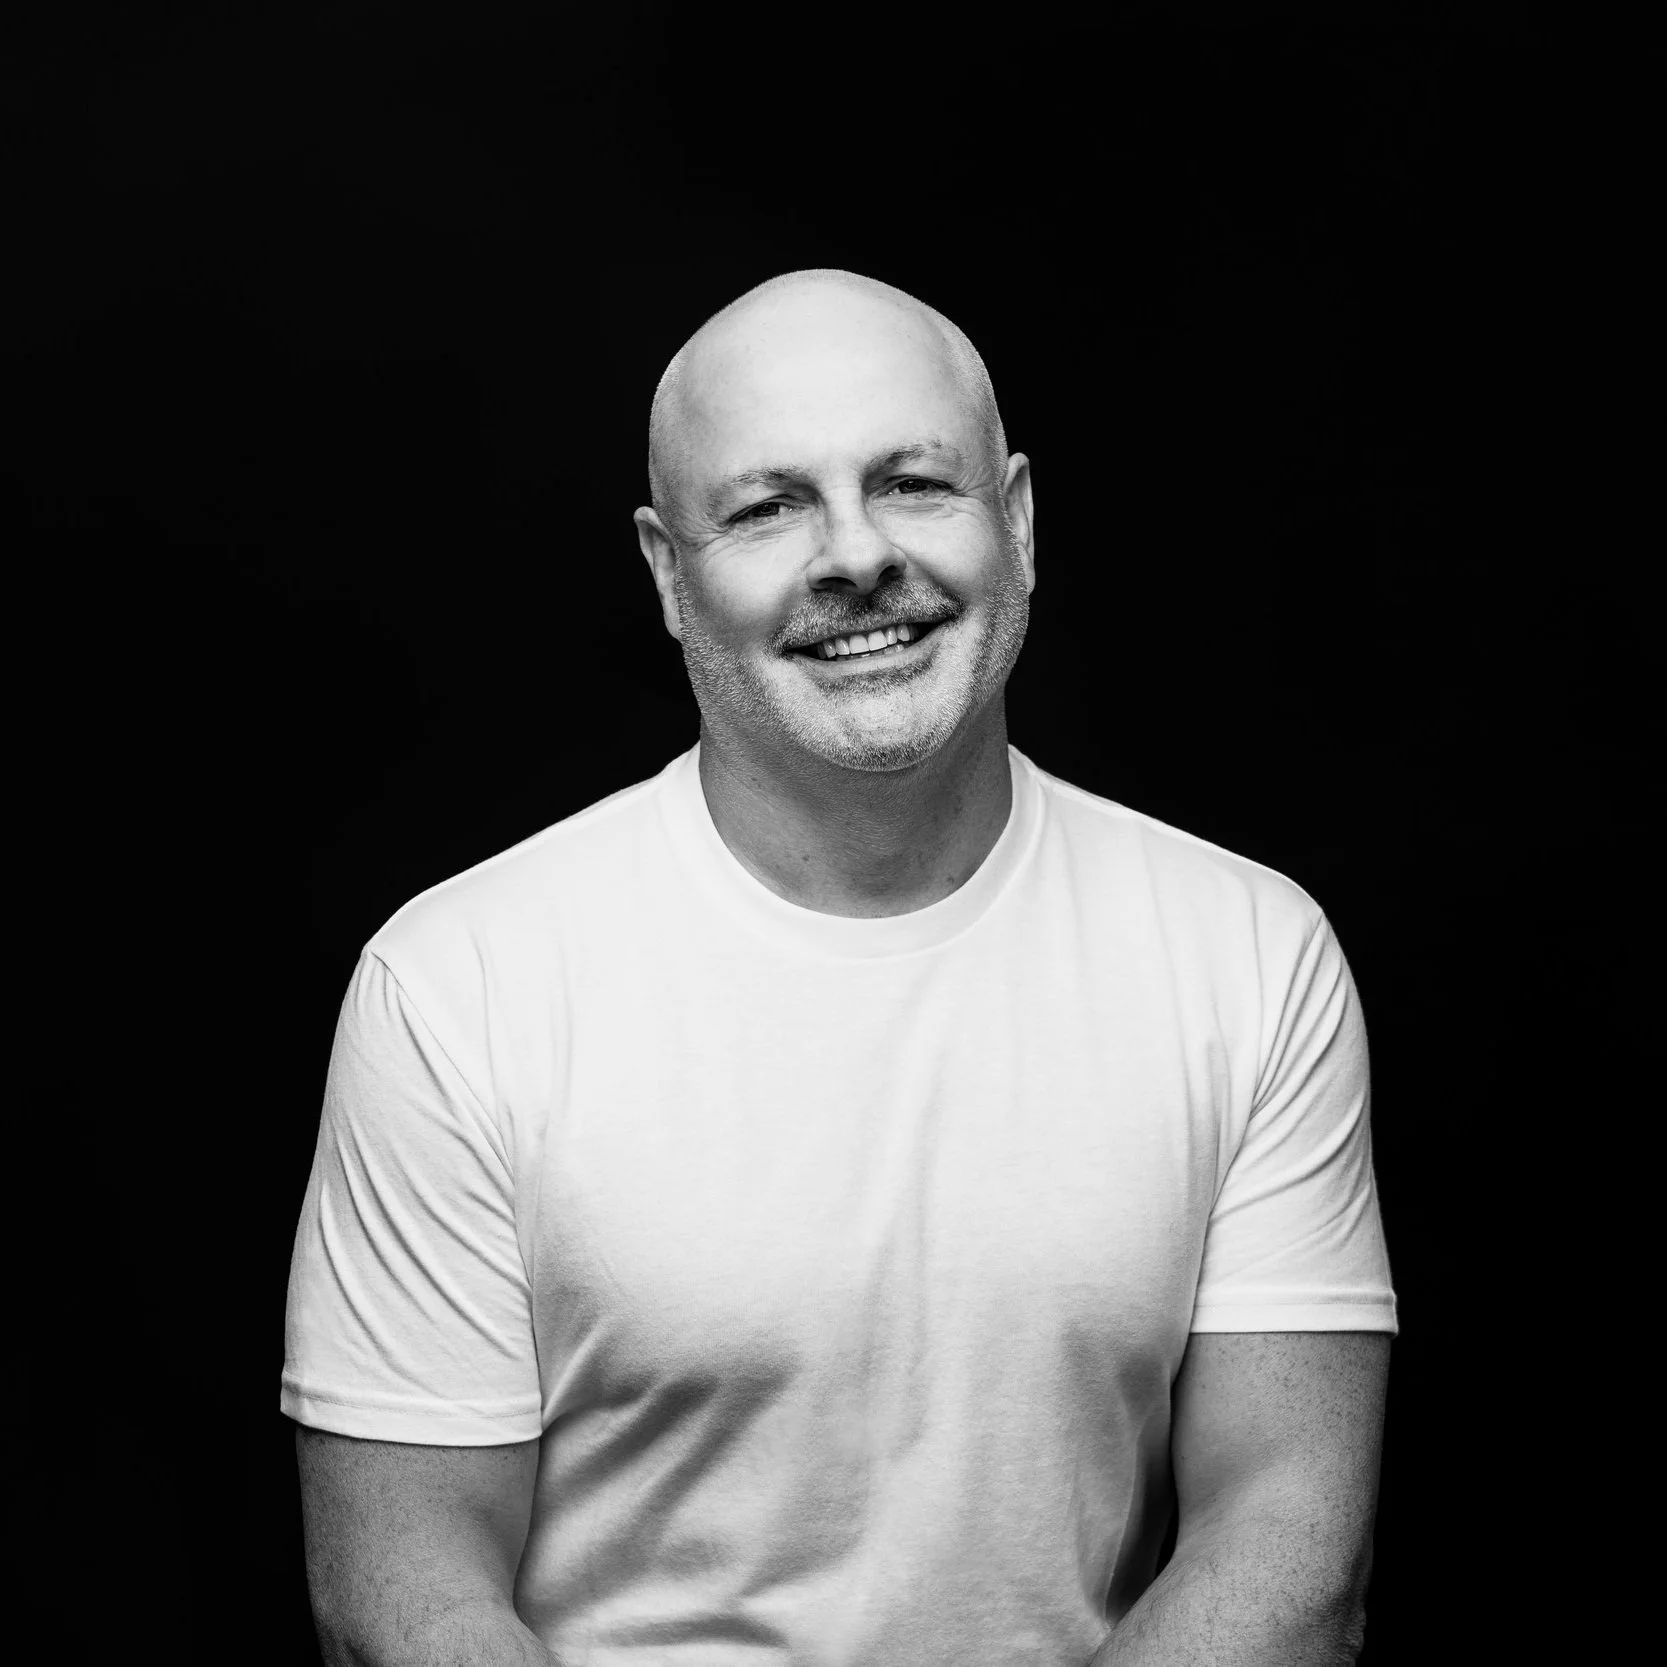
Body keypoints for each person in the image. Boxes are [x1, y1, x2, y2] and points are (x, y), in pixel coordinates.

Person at [283, 268, 1397, 1666]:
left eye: (913, 484)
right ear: (667, 575)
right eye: (768, 507)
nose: (856, 555)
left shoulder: (1246, 953)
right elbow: (403, 1596)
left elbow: (1287, 1543)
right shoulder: (457, 988)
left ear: (1018, 521)